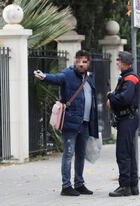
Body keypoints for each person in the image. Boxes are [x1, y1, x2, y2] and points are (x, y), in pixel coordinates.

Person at [34, 50, 99, 196]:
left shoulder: (90, 77)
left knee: (81, 154)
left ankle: (79, 183)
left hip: (86, 122)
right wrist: (44, 77)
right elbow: (57, 78)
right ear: (75, 61)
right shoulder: (68, 74)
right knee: (69, 153)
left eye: (84, 62)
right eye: (78, 61)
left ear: (88, 63)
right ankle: (66, 185)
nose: (81, 64)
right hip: (71, 121)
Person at [106, 51, 140, 197]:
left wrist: (110, 96)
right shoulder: (127, 77)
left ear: (125, 63)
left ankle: (125, 186)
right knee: (129, 152)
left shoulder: (130, 79)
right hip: (128, 118)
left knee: (123, 153)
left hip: (128, 118)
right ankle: (132, 186)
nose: (117, 63)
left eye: (119, 61)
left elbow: (124, 99)